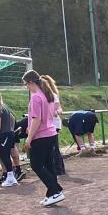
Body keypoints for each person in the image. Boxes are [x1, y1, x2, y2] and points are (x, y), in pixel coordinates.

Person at [22, 68, 64, 206]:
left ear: (30, 82)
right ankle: (52, 193)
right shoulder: (47, 94)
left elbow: (37, 119)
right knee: (48, 164)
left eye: (26, 84)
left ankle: (55, 191)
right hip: (51, 133)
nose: (26, 87)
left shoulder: (36, 97)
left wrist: (29, 138)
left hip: (41, 135)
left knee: (36, 165)